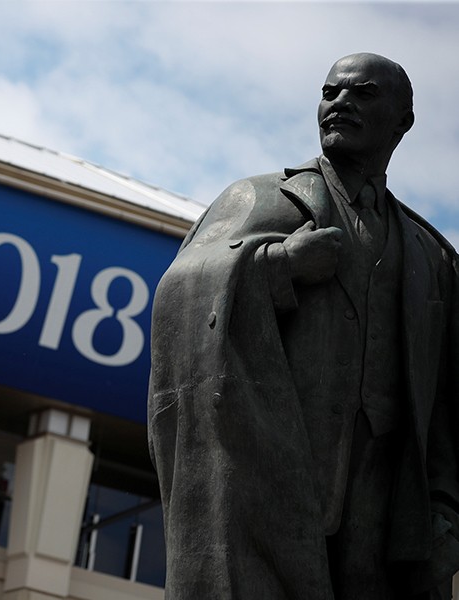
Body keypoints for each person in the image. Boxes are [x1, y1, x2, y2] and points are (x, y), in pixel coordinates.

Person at [148, 53, 459, 599]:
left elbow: (447, 405)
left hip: (385, 521)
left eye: (362, 94)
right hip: (268, 487)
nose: (340, 104)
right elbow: (178, 297)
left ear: (402, 121)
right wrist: (278, 267)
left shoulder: (431, 254)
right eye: (330, 92)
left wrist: (447, 508)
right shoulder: (259, 197)